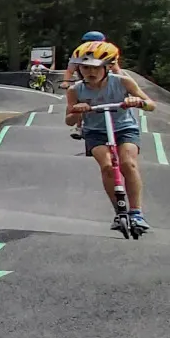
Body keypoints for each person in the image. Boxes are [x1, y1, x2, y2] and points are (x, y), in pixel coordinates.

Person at [64, 40, 154, 233]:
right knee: (107, 166)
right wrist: (78, 111)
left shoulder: (123, 82)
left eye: (96, 68)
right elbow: (69, 121)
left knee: (127, 163)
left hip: (124, 128)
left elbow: (151, 104)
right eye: (85, 67)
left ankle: (136, 212)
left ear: (108, 67)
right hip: (96, 131)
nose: (91, 72)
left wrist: (137, 101)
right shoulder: (76, 90)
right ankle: (119, 211)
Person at [64, 30, 110, 137]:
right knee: (77, 102)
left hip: (104, 82)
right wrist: (66, 81)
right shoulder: (79, 53)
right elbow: (70, 70)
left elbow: (117, 69)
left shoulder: (106, 53)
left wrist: (122, 82)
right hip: (84, 82)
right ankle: (79, 126)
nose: (93, 46)